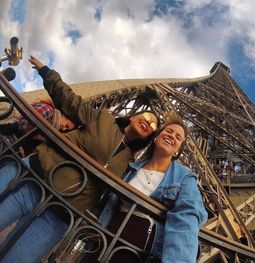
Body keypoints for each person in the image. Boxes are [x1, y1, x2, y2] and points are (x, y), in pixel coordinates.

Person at [0, 55, 160, 263]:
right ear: (132, 116)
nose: (149, 123)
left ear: (150, 137)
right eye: (147, 117)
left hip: (59, 215)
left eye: (154, 126)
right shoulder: (103, 119)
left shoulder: (131, 165)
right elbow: (70, 100)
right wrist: (47, 72)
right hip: (33, 181)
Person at [104, 114, 208, 262]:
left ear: (178, 151)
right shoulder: (130, 167)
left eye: (178, 137)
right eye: (168, 131)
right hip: (107, 236)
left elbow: (187, 216)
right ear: (156, 137)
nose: (172, 136)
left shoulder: (184, 176)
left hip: (142, 247)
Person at [0, 98, 75, 156]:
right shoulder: (48, 110)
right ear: (64, 116)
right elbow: (26, 126)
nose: (64, 128)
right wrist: (44, 138)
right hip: (7, 138)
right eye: (66, 125)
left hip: (12, 148)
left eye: (66, 129)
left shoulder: (51, 126)